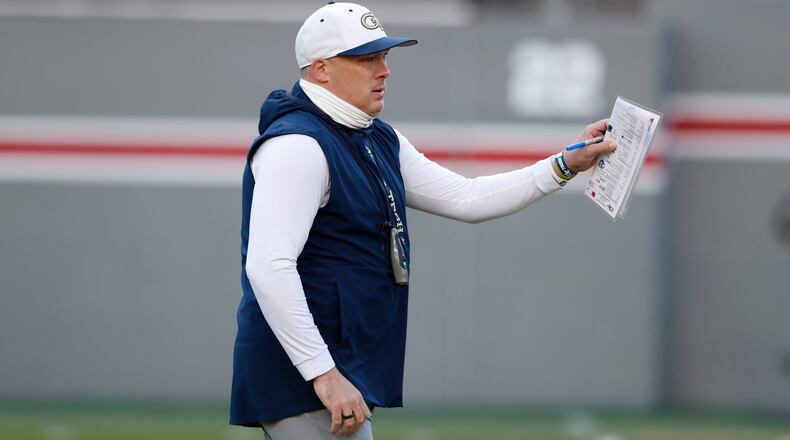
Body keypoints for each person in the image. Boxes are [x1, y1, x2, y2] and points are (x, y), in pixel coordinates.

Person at [230, 2, 617, 439]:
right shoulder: (298, 145)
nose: (384, 71)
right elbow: (268, 267)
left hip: (335, 366)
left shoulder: (375, 136)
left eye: (384, 57)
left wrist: (563, 164)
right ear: (321, 70)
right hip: (303, 376)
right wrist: (323, 374)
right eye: (366, 59)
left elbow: (466, 197)